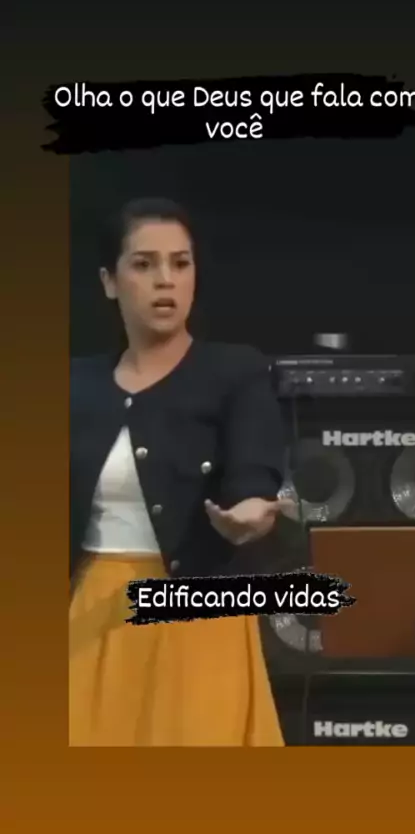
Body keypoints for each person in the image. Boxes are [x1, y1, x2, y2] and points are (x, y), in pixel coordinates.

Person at [69, 197, 286, 746]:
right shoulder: (74, 384)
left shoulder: (234, 371)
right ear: (109, 281)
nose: (165, 280)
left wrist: (250, 514)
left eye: (180, 263)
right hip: (90, 614)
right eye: (144, 264)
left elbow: (253, 475)